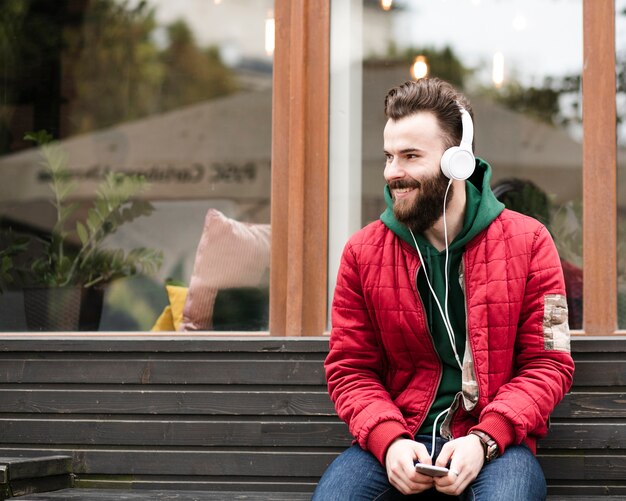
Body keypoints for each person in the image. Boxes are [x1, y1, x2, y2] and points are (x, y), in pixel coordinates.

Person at [312, 78, 575, 500]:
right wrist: (388, 439)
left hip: (493, 446)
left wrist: (485, 438)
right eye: (389, 157)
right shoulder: (363, 252)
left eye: (411, 156)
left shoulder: (530, 242)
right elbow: (350, 369)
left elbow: (549, 364)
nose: (392, 172)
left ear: (458, 162)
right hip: (400, 438)